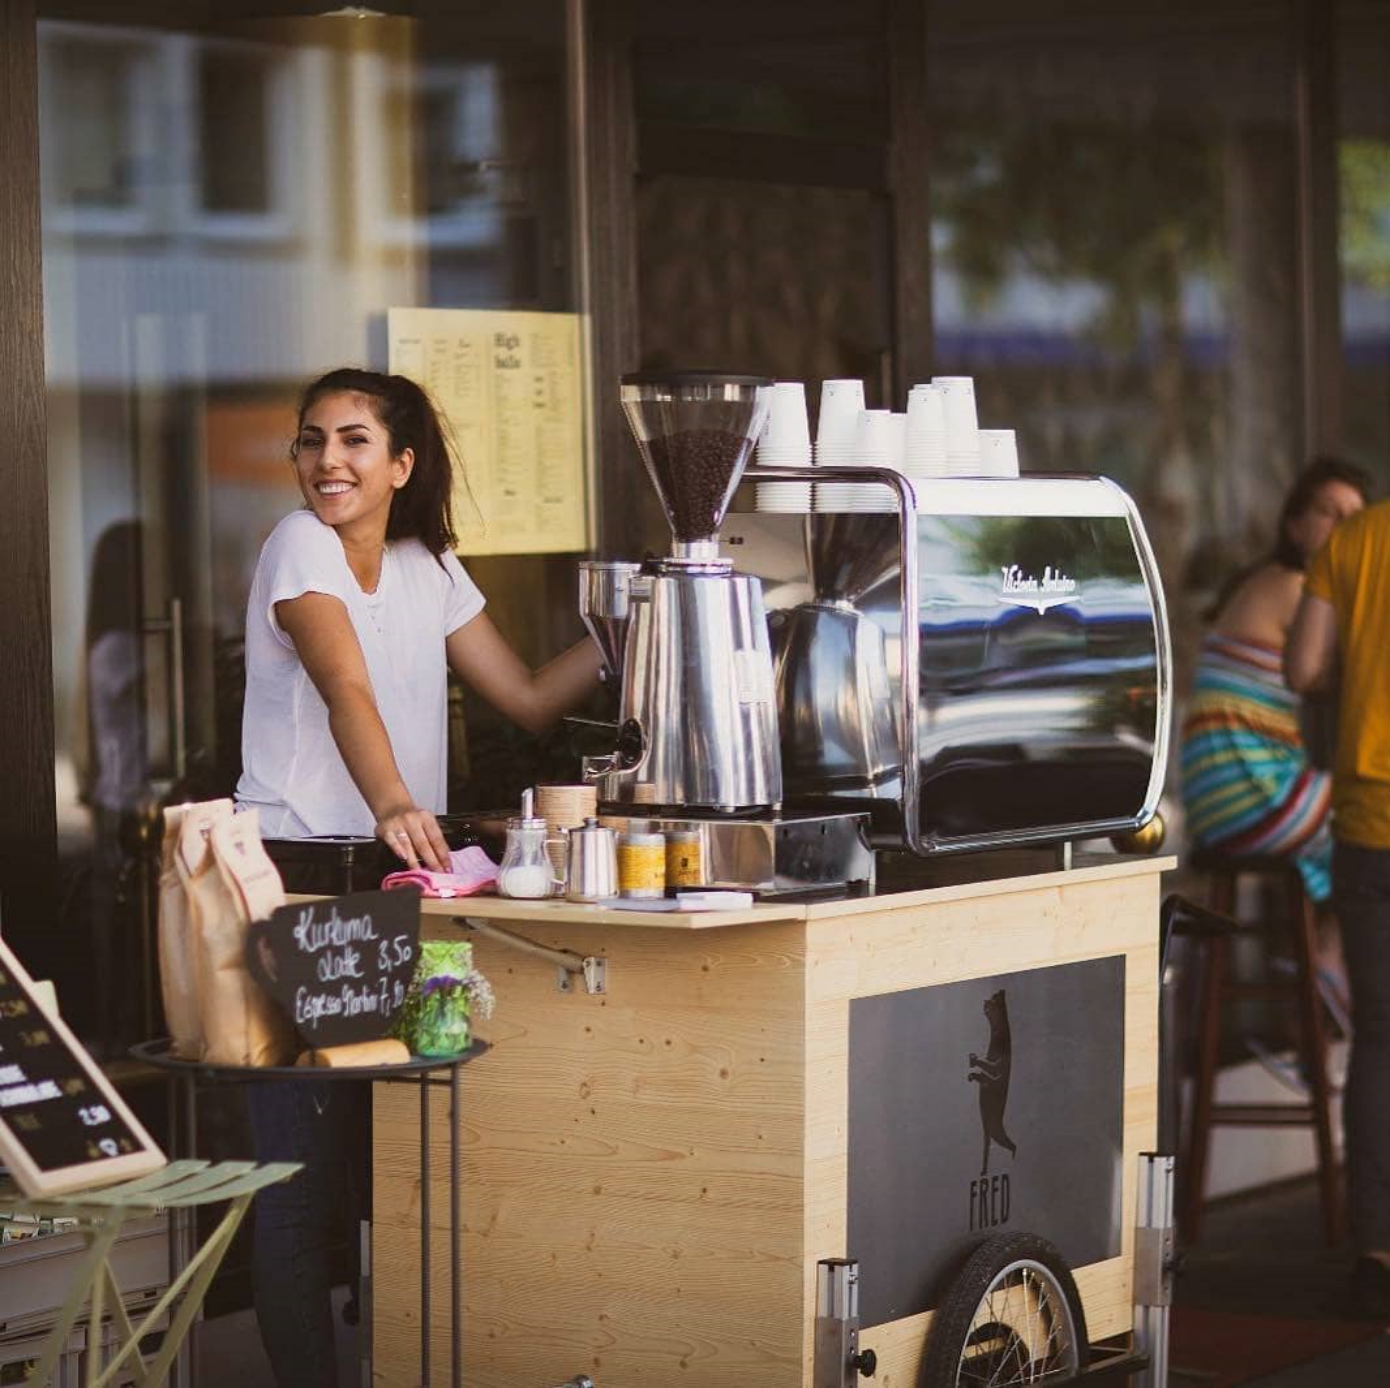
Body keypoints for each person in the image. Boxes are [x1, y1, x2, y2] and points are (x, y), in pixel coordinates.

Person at [236, 366, 602, 1385]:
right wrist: (399, 800)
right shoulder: (297, 544)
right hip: (304, 878)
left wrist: (634, 619)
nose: (326, 461)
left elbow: (527, 698)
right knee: (302, 1175)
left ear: (401, 463)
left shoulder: (425, 561)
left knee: (400, 1155)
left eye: (353, 441)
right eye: (312, 440)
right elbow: (343, 684)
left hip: (405, 880)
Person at [1287, 490, 1390, 1320]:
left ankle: (1377, 1246)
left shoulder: (1355, 540)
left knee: (1382, 1038)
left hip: (1371, 826)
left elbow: (1304, 668)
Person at [1181, 458, 1370, 909]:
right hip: (1250, 792)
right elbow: (1363, 669)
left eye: (1356, 518)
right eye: (1330, 512)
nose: (1345, 527)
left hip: (1217, 799)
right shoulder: (1298, 588)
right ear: (1294, 526)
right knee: (1372, 816)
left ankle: (1326, 965)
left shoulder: (1266, 579)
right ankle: (1331, 967)